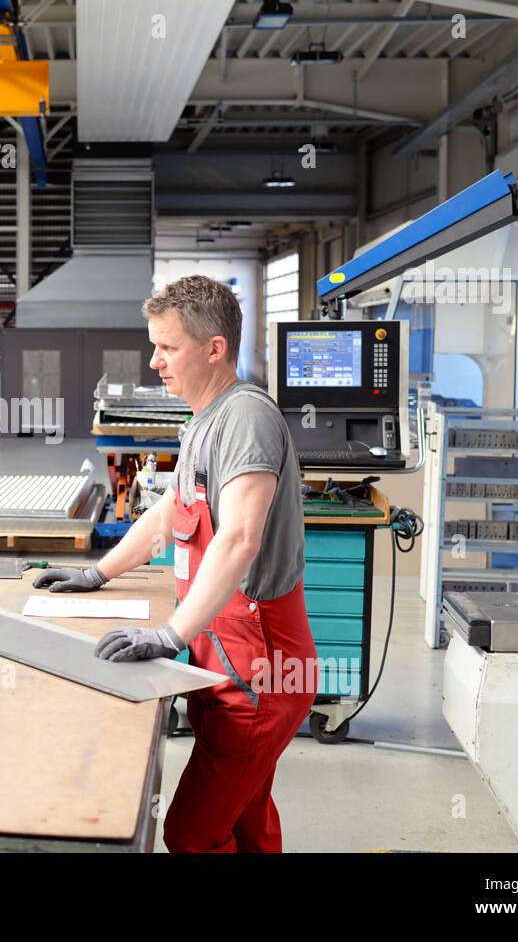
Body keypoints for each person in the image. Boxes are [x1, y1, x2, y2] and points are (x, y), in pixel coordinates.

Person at [33, 275, 316, 852]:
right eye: (154, 344)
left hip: (260, 670)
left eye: (168, 347)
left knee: (190, 833)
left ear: (214, 349)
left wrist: (169, 634)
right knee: (246, 814)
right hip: (223, 661)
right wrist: (97, 573)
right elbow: (167, 515)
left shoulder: (245, 419)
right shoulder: (203, 422)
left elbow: (239, 540)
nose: (154, 360)